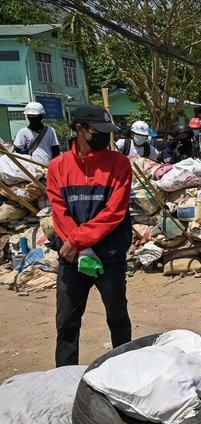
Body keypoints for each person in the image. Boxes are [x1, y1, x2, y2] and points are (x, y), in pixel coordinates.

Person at [48, 104, 132, 367]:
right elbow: (59, 212)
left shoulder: (119, 163)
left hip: (110, 256)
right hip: (72, 259)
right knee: (66, 324)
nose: (104, 137)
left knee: (118, 319)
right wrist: (78, 249)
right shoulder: (58, 166)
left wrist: (77, 242)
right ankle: (64, 378)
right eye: (98, 131)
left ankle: (125, 372)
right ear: (80, 129)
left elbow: (114, 211)